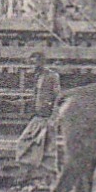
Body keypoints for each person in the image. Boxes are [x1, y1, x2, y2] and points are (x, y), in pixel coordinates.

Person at [15, 51, 64, 180]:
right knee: (24, 142)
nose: (31, 65)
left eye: (34, 62)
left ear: (41, 63)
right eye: (30, 62)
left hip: (47, 119)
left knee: (49, 150)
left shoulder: (53, 76)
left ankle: (50, 179)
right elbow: (37, 96)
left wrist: (53, 119)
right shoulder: (37, 77)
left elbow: (58, 98)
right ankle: (30, 174)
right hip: (38, 118)